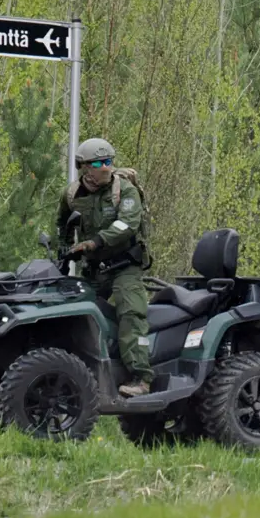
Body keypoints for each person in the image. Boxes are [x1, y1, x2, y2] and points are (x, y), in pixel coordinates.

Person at [57, 137, 154, 397]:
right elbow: (61, 226)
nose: (105, 167)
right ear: (84, 167)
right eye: (99, 162)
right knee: (70, 312)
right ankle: (73, 373)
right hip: (95, 270)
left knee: (131, 312)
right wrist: (64, 253)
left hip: (125, 266)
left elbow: (127, 226)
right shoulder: (71, 195)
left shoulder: (124, 190)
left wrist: (94, 242)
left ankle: (141, 378)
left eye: (109, 161)